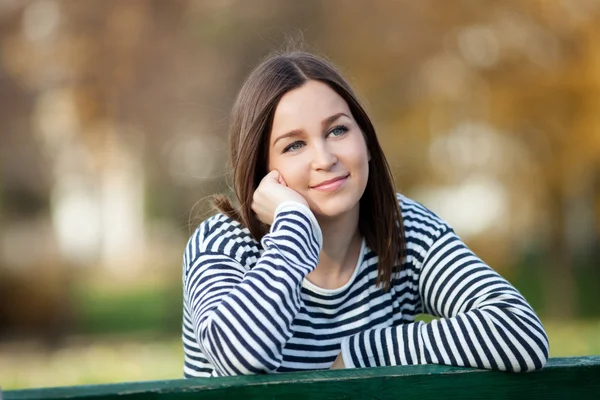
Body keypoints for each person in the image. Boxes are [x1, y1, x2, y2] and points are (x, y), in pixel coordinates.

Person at [181, 50, 549, 377]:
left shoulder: (405, 230)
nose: (325, 159)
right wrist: (292, 227)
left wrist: (364, 352)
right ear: (263, 170)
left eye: (338, 130)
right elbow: (239, 358)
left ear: (367, 142)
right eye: (294, 145)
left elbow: (520, 331)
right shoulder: (223, 243)